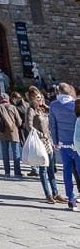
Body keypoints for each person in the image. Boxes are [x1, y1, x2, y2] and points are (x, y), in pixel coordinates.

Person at [26, 86, 65, 204]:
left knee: (51, 169)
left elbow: (53, 117)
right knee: (43, 169)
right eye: (37, 98)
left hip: (49, 141)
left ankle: (56, 193)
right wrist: (40, 134)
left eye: (40, 97)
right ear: (32, 99)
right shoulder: (31, 110)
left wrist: (46, 106)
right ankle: (48, 194)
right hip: (40, 142)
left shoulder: (43, 109)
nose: (39, 99)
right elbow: (28, 126)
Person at [49, 82, 80, 211]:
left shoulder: (54, 105)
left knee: (66, 172)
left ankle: (71, 199)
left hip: (63, 144)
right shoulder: (75, 105)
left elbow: (52, 125)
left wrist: (56, 141)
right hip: (77, 144)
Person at [0, 93, 23, 178]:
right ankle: (17, 172)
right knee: (16, 153)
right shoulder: (12, 107)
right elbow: (19, 121)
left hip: (2, 133)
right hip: (13, 132)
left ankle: (7, 172)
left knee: (5, 153)